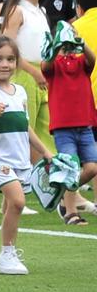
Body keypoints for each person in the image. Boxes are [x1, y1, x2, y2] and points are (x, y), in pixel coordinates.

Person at [0, 36, 56, 274]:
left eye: (10, 59)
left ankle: (8, 252)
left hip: (21, 160)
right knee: (18, 202)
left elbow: (25, 127)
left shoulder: (21, 93)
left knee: (11, 207)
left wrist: (45, 152)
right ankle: (6, 255)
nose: (4, 64)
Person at [0, 0, 57, 158]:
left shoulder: (40, 11)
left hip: (42, 74)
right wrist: (33, 72)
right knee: (25, 130)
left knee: (46, 130)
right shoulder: (17, 10)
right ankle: (18, 178)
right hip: (24, 75)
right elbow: (7, 47)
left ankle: (48, 180)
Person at [41, 25, 97, 224]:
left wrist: (80, 41)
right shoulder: (54, 65)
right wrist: (57, 45)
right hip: (63, 128)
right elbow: (45, 66)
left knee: (92, 167)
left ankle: (63, 193)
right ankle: (70, 212)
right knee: (71, 168)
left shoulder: (81, 63)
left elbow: (92, 59)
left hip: (85, 126)